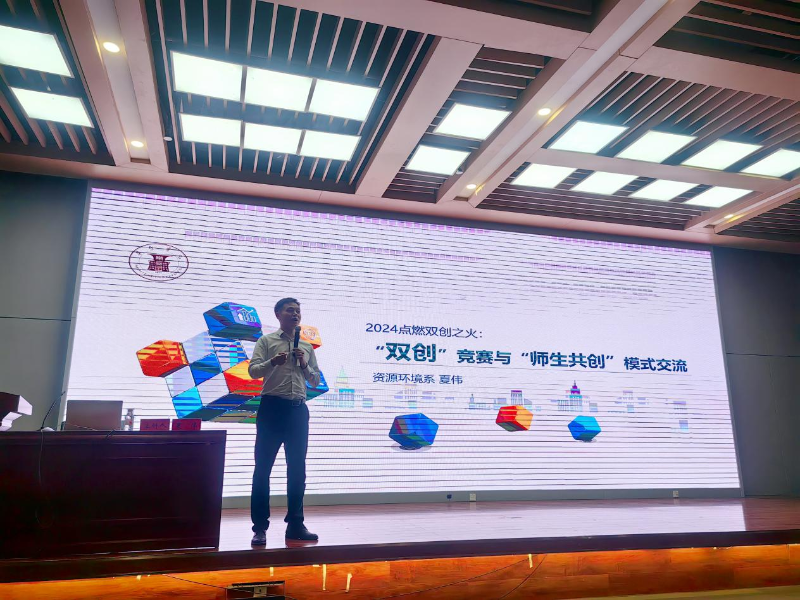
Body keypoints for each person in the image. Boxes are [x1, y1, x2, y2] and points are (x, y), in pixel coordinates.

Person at [248, 297, 321, 545]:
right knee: (262, 469)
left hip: (298, 411)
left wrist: (304, 364)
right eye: (290, 310)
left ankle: (296, 525)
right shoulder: (266, 341)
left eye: (298, 311)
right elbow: (253, 371)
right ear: (278, 314)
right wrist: (273, 362)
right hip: (272, 409)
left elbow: (315, 380)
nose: (295, 314)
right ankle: (260, 528)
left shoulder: (307, 347)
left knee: (297, 470)